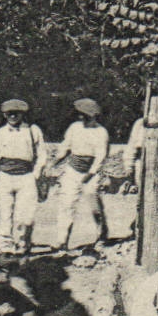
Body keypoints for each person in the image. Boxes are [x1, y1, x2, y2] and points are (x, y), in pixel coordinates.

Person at [0, 100, 46, 270]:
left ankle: (22, 248)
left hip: (26, 177)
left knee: (25, 216)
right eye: (9, 113)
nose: (12, 116)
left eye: (16, 113)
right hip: (4, 177)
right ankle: (5, 250)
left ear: (22, 114)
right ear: (4, 115)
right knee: (4, 214)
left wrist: (36, 174)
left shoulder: (33, 131)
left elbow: (42, 155)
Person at [49, 99, 111, 251]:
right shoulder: (74, 128)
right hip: (73, 170)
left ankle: (101, 235)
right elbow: (65, 147)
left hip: (91, 173)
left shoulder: (101, 132)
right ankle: (62, 241)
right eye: (80, 115)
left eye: (85, 116)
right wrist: (53, 162)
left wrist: (90, 174)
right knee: (67, 204)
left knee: (94, 205)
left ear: (93, 116)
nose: (81, 118)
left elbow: (100, 156)